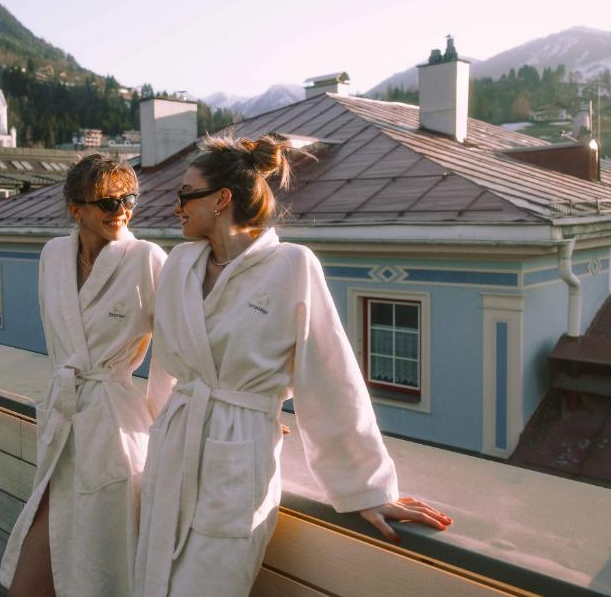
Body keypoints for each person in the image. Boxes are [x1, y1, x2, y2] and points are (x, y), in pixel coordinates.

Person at [134, 135, 452, 597]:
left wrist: (367, 489)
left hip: (237, 461)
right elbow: (168, 366)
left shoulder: (291, 266)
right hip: (173, 451)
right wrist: (157, 427)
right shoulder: (180, 263)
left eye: (186, 194)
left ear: (221, 199)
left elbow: (329, 376)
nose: (176, 206)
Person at [0, 154, 168, 597]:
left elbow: (180, 348)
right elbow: (55, 336)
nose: (123, 211)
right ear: (76, 208)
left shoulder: (147, 259)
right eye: (108, 203)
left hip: (115, 427)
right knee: (35, 567)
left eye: (129, 198)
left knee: (103, 566)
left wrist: (188, 419)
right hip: (63, 416)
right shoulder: (54, 254)